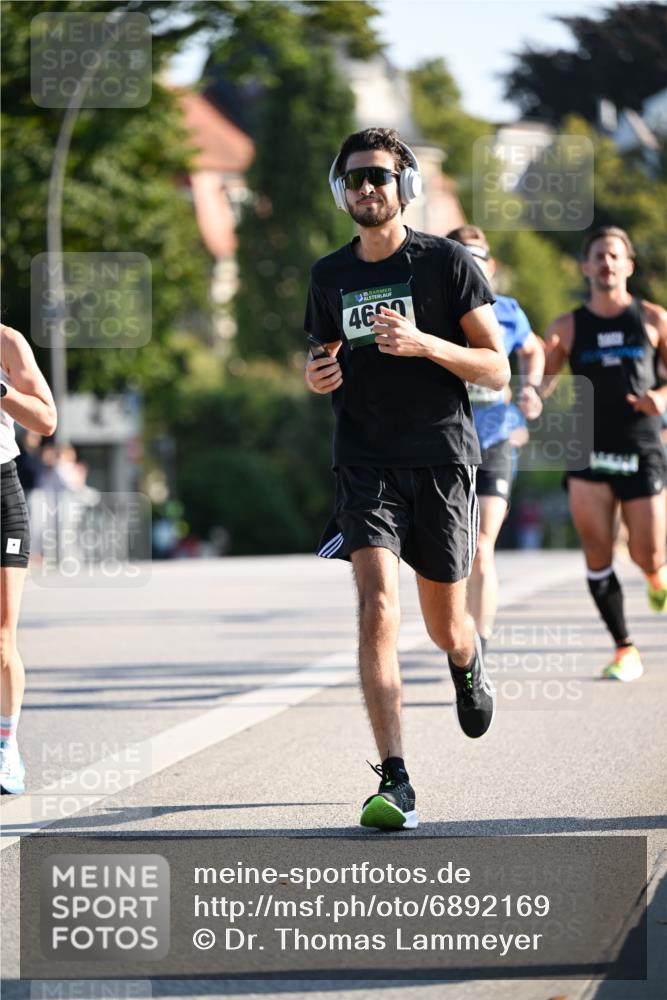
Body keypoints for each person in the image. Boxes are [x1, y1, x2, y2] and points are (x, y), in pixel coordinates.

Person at [304, 128, 510, 830]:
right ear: (342, 192)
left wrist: (426, 344)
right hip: (364, 460)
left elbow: (497, 367)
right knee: (375, 606)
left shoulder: (447, 263)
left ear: (403, 187)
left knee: (443, 624)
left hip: (441, 459)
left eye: (380, 177)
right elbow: (321, 356)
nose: (367, 188)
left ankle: (465, 658)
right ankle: (395, 779)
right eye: (356, 178)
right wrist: (316, 373)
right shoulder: (328, 276)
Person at [543, 226, 667, 682]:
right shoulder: (568, 326)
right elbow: (541, 384)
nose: (606, 263)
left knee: (648, 551)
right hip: (588, 450)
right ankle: (624, 648)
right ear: (586, 266)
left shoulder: (654, 319)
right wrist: (532, 382)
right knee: (598, 554)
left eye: (614, 256)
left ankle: (656, 574)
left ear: (628, 265)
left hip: (642, 447)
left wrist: (663, 399)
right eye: (598, 256)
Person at [447, 226, 544, 652]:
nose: (473, 267)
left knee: (483, 544)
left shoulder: (506, 310)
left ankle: (479, 645)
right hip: (446, 442)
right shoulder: (434, 312)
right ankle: (455, 628)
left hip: (495, 438)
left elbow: (534, 348)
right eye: (463, 259)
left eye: (478, 260)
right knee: (457, 551)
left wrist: (532, 388)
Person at [0, 323, 57, 793]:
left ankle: (6, 745)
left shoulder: (7, 343)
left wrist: (0, 389)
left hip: (1, 493)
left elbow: (46, 420)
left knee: (1, 638)